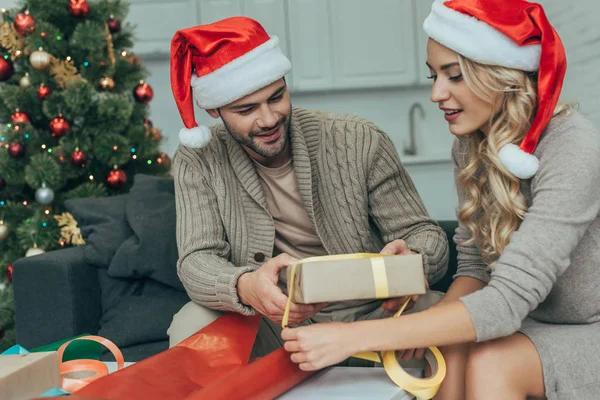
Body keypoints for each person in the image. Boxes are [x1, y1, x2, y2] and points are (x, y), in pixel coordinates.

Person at [281, 0, 600, 398]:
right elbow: (476, 269)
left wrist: (352, 337)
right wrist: (432, 322)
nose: (436, 93)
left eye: (453, 76)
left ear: (501, 74)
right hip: (530, 322)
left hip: (587, 330)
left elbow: (505, 302)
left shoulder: (572, 146)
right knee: (447, 347)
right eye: (434, 75)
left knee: (491, 362)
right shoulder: (471, 146)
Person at [166, 16, 449, 361]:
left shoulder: (359, 139)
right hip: (278, 324)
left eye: (276, 97)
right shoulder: (199, 160)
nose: (269, 119)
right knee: (194, 323)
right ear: (214, 108)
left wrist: (414, 265)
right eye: (247, 109)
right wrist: (247, 287)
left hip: (376, 317)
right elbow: (196, 260)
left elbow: (424, 233)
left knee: (452, 315)